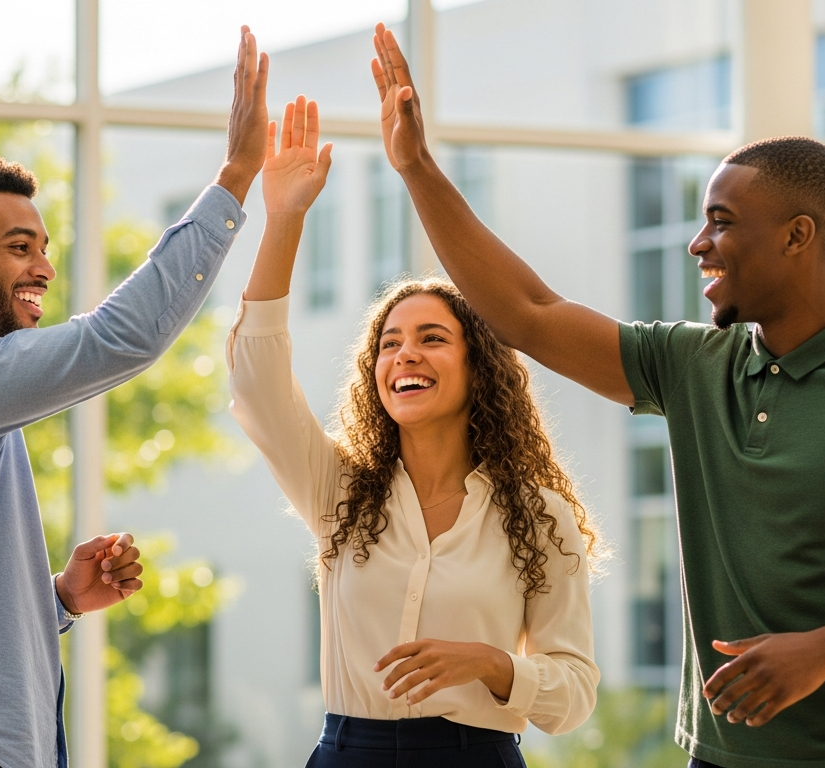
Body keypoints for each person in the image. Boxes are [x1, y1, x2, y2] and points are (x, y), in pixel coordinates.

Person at [366, 23, 825, 768]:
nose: (697, 243)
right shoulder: (691, 363)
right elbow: (527, 313)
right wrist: (417, 167)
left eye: (721, 221)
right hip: (712, 757)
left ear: (796, 237)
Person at [0, 27, 269, 768]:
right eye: (18, 247)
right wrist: (234, 178)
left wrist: (58, 601)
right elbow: (118, 339)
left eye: (43, 246)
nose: (43, 266)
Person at [226, 95, 602, 768]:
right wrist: (283, 216)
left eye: (432, 338)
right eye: (390, 344)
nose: (405, 355)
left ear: (479, 368)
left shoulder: (539, 517)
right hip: (349, 752)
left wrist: (493, 665)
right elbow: (256, 383)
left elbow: (574, 696)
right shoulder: (339, 493)